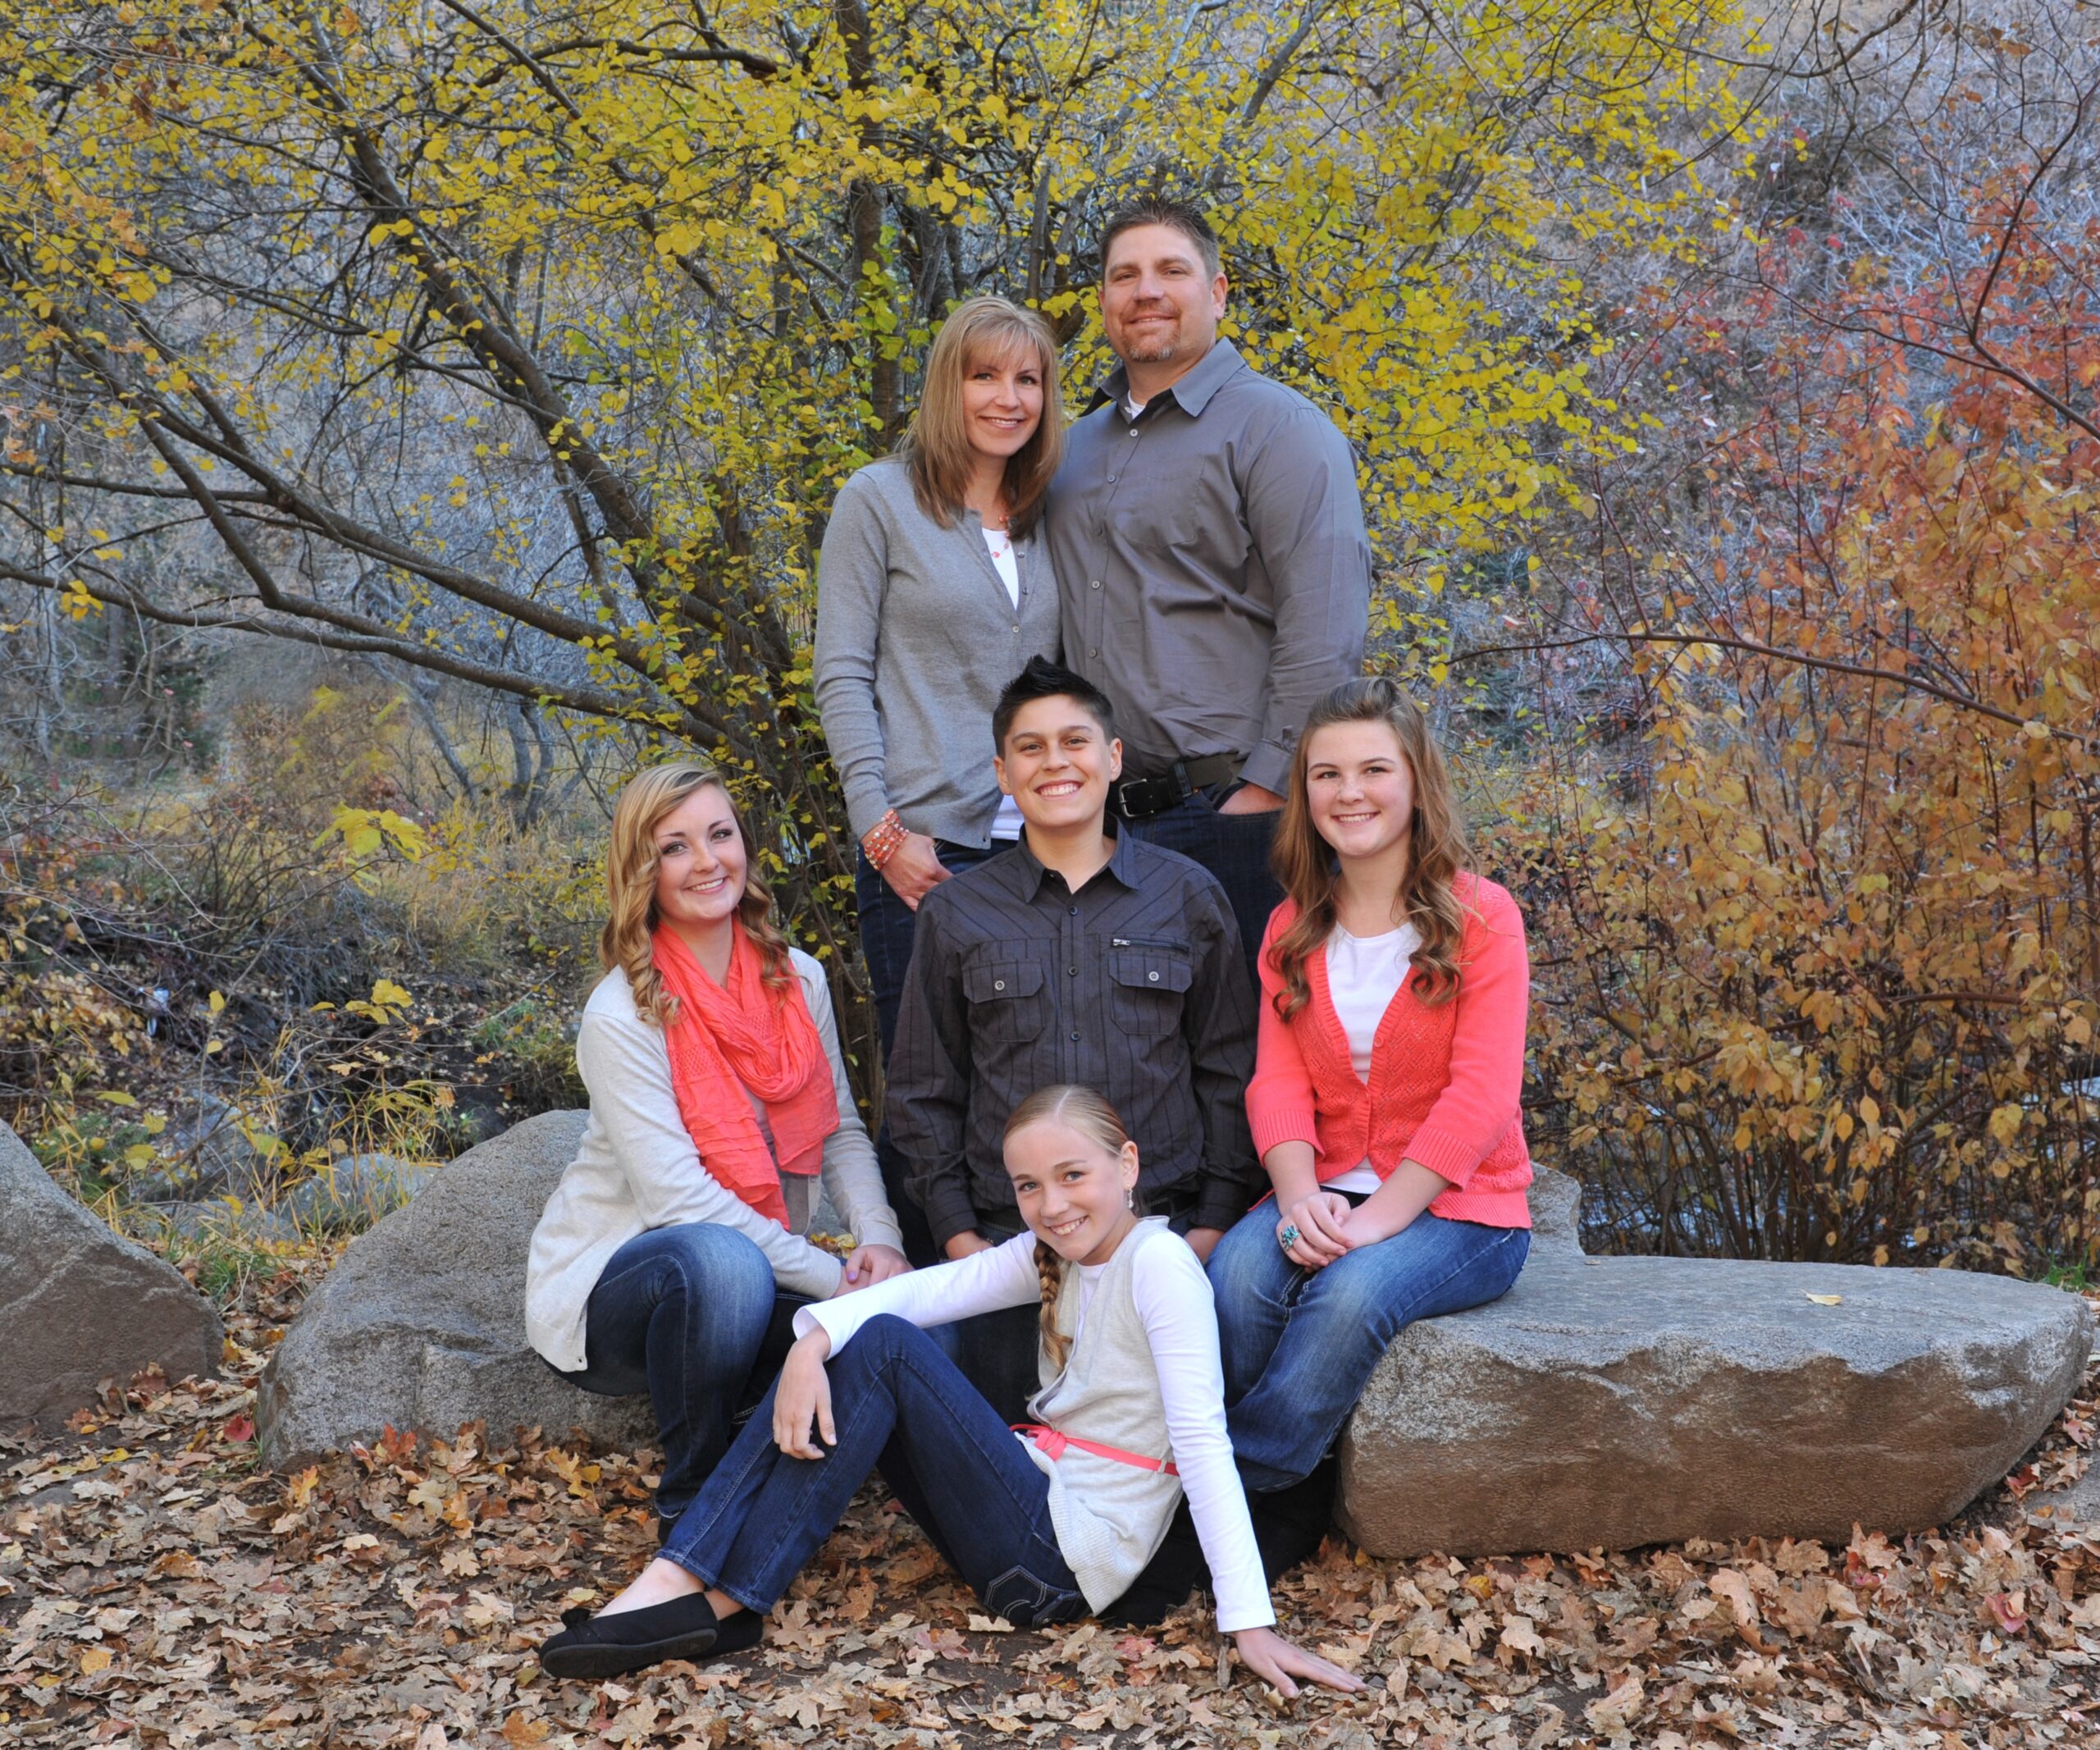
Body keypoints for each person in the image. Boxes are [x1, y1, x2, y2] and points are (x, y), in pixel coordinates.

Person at [537, 1085, 1365, 1703]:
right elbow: (929, 1290)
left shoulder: (1160, 1267)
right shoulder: (1058, 1252)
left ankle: (696, 1582)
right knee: (870, 1339)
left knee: (886, 1349)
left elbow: (1204, 1442)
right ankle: (715, 1593)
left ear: (1127, 1165)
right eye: (1030, 1186)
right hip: (1036, 1511)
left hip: (1059, 1564)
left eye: (1073, 1175)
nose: (1052, 1204)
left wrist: (1247, 1621)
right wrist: (811, 1340)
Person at [525, 763, 910, 1535]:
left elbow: (838, 1129)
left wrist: (880, 1242)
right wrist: (833, 1279)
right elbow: (680, 1202)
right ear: (642, 870)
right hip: (621, 1292)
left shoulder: (798, 979)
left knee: (885, 1332)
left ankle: (776, 1496)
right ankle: (693, 1507)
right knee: (722, 1262)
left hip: (754, 1273)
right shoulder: (623, 1012)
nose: (707, 861)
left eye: (720, 834)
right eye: (675, 846)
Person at [887, 656, 1260, 1423]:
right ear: (1002, 772)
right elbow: (924, 1090)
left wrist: (1213, 1227)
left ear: (1113, 757)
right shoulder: (958, 914)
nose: (1054, 761)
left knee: (1164, 1456)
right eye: (1030, 747)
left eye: (1075, 741)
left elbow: (1231, 1071)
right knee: (1014, 1461)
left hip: (1165, 1238)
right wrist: (961, 1241)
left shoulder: (1188, 896)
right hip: (1011, 1247)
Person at [1207, 677, 1534, 1496]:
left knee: (1349, 1296)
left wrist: (1377, 1219)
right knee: (1235, 1281)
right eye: (1327, 774)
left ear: (1416, 781)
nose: (1349, 792)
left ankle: (1250, 1489)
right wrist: (1295, 1197)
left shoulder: (1482, 917)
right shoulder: (1292, 925)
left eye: (1373, 770)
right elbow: (1278, 1079)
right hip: (1325, 1186)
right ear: (1305, 793)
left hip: (1462, 1209)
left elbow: (1483, 1095)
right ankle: (1255, 1479)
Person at [1047, 197, 1372, 977]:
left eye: (1171, 270)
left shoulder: (1281, 430)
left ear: (1218, 292)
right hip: (1103, 828)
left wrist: (1267, 793)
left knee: (1259, 1045)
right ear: (1103, 300)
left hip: (1237, 819)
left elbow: (1325, 627)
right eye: (1124, 275)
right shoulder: (1069, 450)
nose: (1146, 291)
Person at [815, 296, 1066, 1265]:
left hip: (1038, 852)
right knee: (928, 1098)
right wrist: (880, 830)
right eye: (984, 375)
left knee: (1035, 1089)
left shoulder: (1048, 517)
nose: (1008, 398)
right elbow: (842, 673)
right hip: (926, 852)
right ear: (945, 386)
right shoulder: (877, 501)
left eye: (1027, 379)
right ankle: (914, 1306)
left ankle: (1026, 1305)